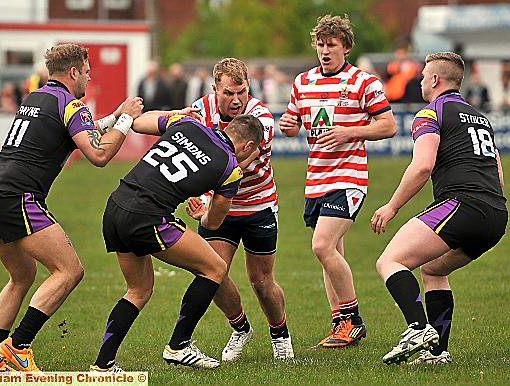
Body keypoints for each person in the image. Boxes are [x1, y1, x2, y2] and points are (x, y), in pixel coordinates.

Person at [0, 43, 143, 373]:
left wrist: (116, 114)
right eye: (87, 72)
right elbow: (98, 155)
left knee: (21, 277)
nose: (89, 78)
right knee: (69, 270)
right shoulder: (72, 104)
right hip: (17, 196)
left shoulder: (37, 97)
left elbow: (82, 132)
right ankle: (19, 345)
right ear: (74, 72)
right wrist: (125, 122)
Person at [90, 112, 264, 371]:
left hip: (116, 206)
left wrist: (175, 113)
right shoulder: (230, 168)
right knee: (215, 268)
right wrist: (201, 215)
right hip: (146, 217)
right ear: (248, 146)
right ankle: (179, 345)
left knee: (138, 290)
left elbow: (138, 123)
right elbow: (213, 224)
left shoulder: (187, 123)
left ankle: (103, 365)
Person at [372, 52, 507, 365]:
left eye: (423, 76)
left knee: (390, 261)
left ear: (434, 80)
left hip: (463, 204)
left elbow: (422, 166)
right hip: (496, 214)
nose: (420, 81)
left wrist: (391, 207)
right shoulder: (479, 118)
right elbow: (498, 174)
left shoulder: (431, 113)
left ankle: (417, 328)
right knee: (433, 269)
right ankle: (437, 353)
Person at [279, 14, 396, 349]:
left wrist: (351, 131)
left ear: (346, 46)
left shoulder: (364, 82)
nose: (325, 50)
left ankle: (353, 320)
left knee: (321, 246)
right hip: (316, 179)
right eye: (320, 44)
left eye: (331, 44)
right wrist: (289, 125)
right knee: (331, 252)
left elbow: (387, 126)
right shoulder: (303, 83)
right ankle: (340, 326)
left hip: (349, 177)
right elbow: (293, 123)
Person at [189, 57, 294, 362]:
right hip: (220, 207)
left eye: (242, 92)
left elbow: (237, 164)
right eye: (228, 94)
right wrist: (199, 198)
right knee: (210, 272)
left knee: (261, 281)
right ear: (214, 90)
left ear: (249, 88)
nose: (236, 101)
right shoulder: (199, 112)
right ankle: (240, 328)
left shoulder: (260, 118)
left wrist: (207, 198)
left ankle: (280, 334)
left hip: (257, 204)